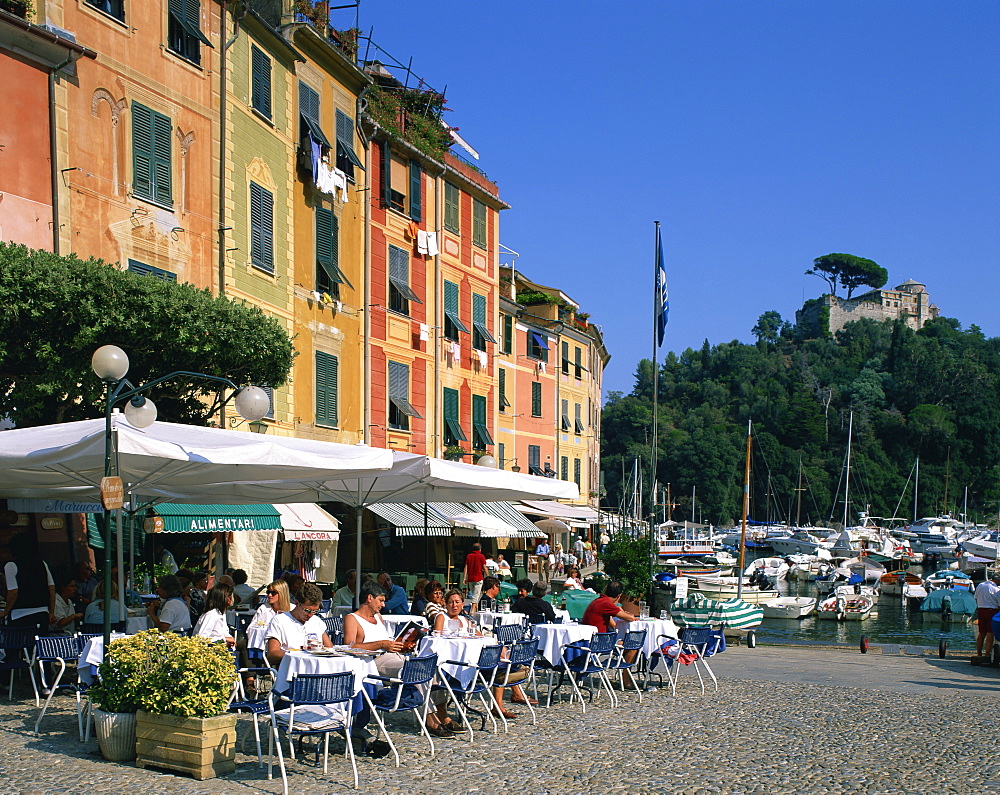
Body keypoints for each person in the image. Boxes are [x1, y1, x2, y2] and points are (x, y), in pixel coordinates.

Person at [0, 533, 55, 636]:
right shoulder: (42, 564)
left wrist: (5, 612)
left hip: (19, 615)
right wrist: (51, 611)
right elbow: (51, 588)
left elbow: (13, 592)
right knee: (38, 647)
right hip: (42, 613)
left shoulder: (10, 566)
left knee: (13, 646)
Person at [265, 583, 332, 665]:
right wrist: (298, 655)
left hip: (316, 669)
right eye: (307, 610)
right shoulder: (279, 621)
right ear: (296, 603)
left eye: (314, 611)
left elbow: (329, 648)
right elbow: (272, 655)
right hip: (292, 670)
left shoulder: (316, 621)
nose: (310, 615)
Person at [194, 583, 237, 647]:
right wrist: (224, 639)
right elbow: (201, 637)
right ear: (228, 599)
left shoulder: (221, 613)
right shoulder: (212, 615)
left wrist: (229, 638)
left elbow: (223, 632)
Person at [974, 573, 1000, 659]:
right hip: (992, 611)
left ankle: (979, 653)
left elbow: (976, 597)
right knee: (990, 633)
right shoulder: (996, 589)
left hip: (981, 609)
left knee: (981, 633)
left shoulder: (980, 585)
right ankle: (987, 654)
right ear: (997, 580)